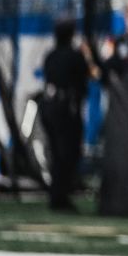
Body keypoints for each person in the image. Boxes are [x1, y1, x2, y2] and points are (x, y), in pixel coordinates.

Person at [41, 17, 99, 212]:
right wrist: (88, 56)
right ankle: (60, 197)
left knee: (57, 153)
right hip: (66, 109)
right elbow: (90, 75)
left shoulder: (51, 55)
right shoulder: (75, 55)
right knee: (68, 153)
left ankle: (57, 195)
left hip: (49, 106)